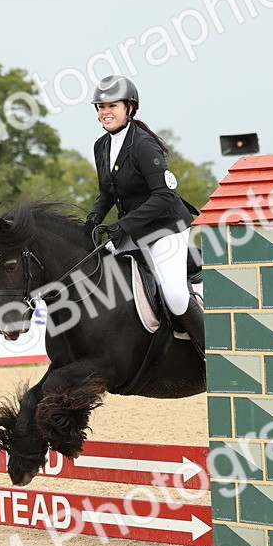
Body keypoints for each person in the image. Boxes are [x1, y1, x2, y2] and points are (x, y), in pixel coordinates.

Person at [83, 75, 204, 357]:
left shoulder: (143, 144)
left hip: (166, 228)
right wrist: (92, 219)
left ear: (130, 107)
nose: (105, 112)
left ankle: (213, 354)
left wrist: (122, 225)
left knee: (174, 295)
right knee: (100, 274)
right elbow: (107, 194)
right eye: (100, 107)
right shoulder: (101, 146)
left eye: (112, 105)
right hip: (134, 230)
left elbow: (162, 195)